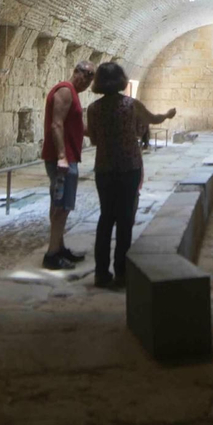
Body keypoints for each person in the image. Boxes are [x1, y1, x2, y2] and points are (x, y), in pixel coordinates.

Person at [84, 62, 175, 289]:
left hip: (104, 169)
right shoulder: (131, 105)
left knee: (106, 219)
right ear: (122, 81)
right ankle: (121, 272)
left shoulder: (94, 109)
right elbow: (152, 119)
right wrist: (167, 115)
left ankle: (101, 273)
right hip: (129, 167)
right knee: (125, 220)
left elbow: (94, 139)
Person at [40, 60, 94, 271]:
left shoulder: (73, 94)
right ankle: (52, 255)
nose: (88, 80)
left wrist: (98, 133)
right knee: (62, 206)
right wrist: (62, 156)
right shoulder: (65, 91)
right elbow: (56, 123)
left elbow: (77, 125)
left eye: (92, 77)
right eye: (86, 74)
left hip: (68, 157)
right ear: (76, 71)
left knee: (58, 203)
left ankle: (59, 247)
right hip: (62, 159)